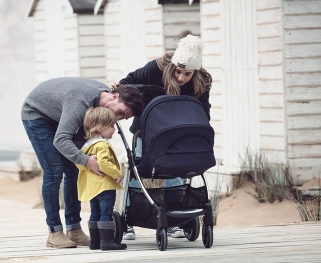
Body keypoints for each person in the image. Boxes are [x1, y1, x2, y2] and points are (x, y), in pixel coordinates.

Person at [21, 77, 144, 249]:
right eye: (121, 112)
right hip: (38, 115)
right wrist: (86, 161)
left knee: (73, 170)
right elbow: (61, 139)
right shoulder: (80, 102)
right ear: (114, 96)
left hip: (61, 115)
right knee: (54, 172)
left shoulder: (102, 102)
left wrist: (86, 162)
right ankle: (55, 233)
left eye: (123, 118)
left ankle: (74, 230)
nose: (118, 119)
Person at [111, 34, 213, 240]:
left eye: (187, 74)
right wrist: (118, 86)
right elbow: (129, 82)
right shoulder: (156, 68)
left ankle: (174, 220)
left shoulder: (201, 82)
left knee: (175, 168)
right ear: (173, 65)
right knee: (138, 169)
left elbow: (204, 110)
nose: (181, 78)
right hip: (147, 127)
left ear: (195, 72)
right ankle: (129, 217)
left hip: (178, 133)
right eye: (178, 71)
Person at [76, 107, 127, 251]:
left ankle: (95, 242)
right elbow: (104, 163)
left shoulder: (86, 146)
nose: (114, 130)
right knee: (106, 213)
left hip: (93, 187)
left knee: (95, 213)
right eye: (111, 126)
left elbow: (79, 164)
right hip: (105, 185)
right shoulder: (102, 145)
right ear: (100, 128)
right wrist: (116, 173)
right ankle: (107, 242)